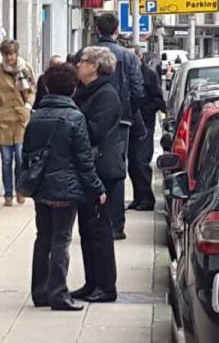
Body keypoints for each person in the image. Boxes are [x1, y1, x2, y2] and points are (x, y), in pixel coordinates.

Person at [24, 63, 106, 311]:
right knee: (61, 239)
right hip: (66, 188)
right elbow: (84, 159)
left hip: (41, 188)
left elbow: (26, 154)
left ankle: (40, 292)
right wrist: (96, 188)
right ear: (72, 88)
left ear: (47, 87)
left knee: (43, 238)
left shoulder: (36, 117)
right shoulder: (74, 117)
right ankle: (58, 293)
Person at [73, 12, 144, 239]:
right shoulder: (127, 56)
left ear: (96, 30)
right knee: (115, 170)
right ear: (116, 31)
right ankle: (115, 223)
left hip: (91, 119)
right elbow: (137, 88)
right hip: (121, 121)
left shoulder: (85, 55)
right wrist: (130, 112)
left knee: (90, 167)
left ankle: (95, 219)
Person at [71, 46, 122, 303]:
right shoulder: (85, 91)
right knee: (87, 230)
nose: (78, 65)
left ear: (95, 66)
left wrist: (72, 119)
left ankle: (105, 285)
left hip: (102, 170)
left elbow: (94, 132)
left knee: (100, 231)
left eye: (82, 61)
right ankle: (92, 282)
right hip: (87, 169)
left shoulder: (105, 95)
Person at [0, 39, 37, 207]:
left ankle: (20, 190)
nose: (9, 58)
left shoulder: (25, 68)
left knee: (20, 157)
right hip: (4, 121)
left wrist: (28, 106)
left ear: (17, 53)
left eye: (11, 54)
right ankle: (8, 194)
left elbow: (32, 90)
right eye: (5, 54)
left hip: (22, 119)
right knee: (6, 159)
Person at [127, 47, 166, 211]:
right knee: (133, 164)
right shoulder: (128, 75)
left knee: (141, 161)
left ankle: (146, 199)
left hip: (145, 124)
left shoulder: (148, 75)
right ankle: (138, 197)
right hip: (132, 123)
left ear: (140, 57)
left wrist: (143, 111)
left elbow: (157, 100)